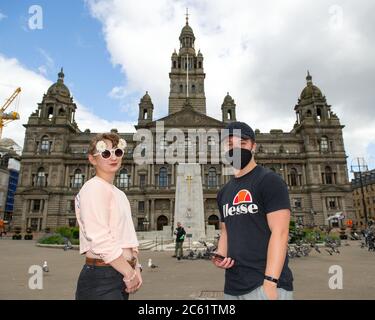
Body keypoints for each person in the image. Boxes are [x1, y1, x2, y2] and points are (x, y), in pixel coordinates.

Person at [212, 121, 294, 300]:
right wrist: (221, 254)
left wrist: (270, 282)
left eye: (242, 144)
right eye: (229, 145)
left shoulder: (269, 181)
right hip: (232, 287)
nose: (235, 150)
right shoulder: (223, 193)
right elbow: (226, 231)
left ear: (253, 146)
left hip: (264, 285)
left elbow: (280, 232)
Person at [74, 132, 142, 300]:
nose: (113, 157)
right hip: (102, 277)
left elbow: (127, 237)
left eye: (117, 152)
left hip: (119, 273)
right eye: (105, 153)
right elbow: (99, 238)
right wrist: (128, 272)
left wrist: (136, 267)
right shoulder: (93, 188)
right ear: (92, 159)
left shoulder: (119, 194)